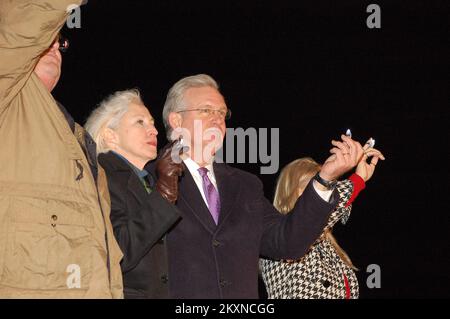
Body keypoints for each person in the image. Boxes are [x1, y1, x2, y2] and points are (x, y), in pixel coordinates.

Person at [153, 73, 366, 298]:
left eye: (222, 113)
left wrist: (324, 179)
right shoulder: (148, 179)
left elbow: (288, 242)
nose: (217, 119)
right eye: (206, 110)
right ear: (176, 121)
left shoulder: (245, 186)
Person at [0, 0, 123, 298]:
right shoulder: (9, 98)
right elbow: (20, 28)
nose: (54, 48)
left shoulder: (77, 136)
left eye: (60, 43)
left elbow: (105, 248)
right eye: (47, 41)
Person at [85, 89, 183, 298]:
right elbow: (118, 251)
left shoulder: (146, 180)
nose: (154, 131)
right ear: (111, 135)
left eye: (152, 123)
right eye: (140, 122)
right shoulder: (103, 177)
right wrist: (164, 194)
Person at [259, 144, 385, 299]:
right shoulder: (278, 237)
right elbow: (311, 218)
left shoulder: (327, 247)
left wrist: (359, 178)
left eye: (328, 185)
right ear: (292, 190)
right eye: (317, 186)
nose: (327, 194)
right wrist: (357, 180)